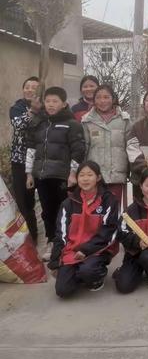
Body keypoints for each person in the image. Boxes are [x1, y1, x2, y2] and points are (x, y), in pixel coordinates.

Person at [25, 86, 86, 260]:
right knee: (47, 211)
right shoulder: (39, 122)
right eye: (48, 101)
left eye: (55, 101)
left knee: (64, 211)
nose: (51, 104)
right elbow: (31, 148)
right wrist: (29, 173)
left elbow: (78, 150)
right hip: (42, 176)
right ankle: (52, 242)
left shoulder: (72, 124)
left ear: (64, 103)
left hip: (62, 177)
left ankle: (66, 243)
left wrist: (73, 174)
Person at [47, 161, 119, 298]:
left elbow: (109, 232)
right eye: (82, 175)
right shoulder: (68, 203)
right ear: (77, 178)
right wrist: (55, 261)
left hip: (98, 250)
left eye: (90, 175)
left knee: (88, 271)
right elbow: (60, 233)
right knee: (63, 291)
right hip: (72, 251)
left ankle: (96, 277)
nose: (85, 179)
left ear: (98, 178)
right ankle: (78, 273)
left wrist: (86, 250)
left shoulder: (109, 200)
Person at [82, 84, 131, 206]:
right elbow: (84, 149)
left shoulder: (124, 120)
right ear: (94, 100)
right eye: (98, 97)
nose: (102, 101)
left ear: (113, 99)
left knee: (113, 211)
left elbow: (130, 147)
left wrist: (131, 171)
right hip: (94, 176)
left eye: (106, 97)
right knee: (94, 212)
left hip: (117, 175)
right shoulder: (87, 121)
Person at [9, 76, 42, 243]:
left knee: (45, 202)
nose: (29, 90)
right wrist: (32, 111)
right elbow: (19, 125)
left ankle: (51, 239)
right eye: (27, 87)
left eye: (34, 87)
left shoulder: (46, 107)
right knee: (24, 202)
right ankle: (30, 238)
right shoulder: (17, 107)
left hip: (42, 161)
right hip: (20, 162)